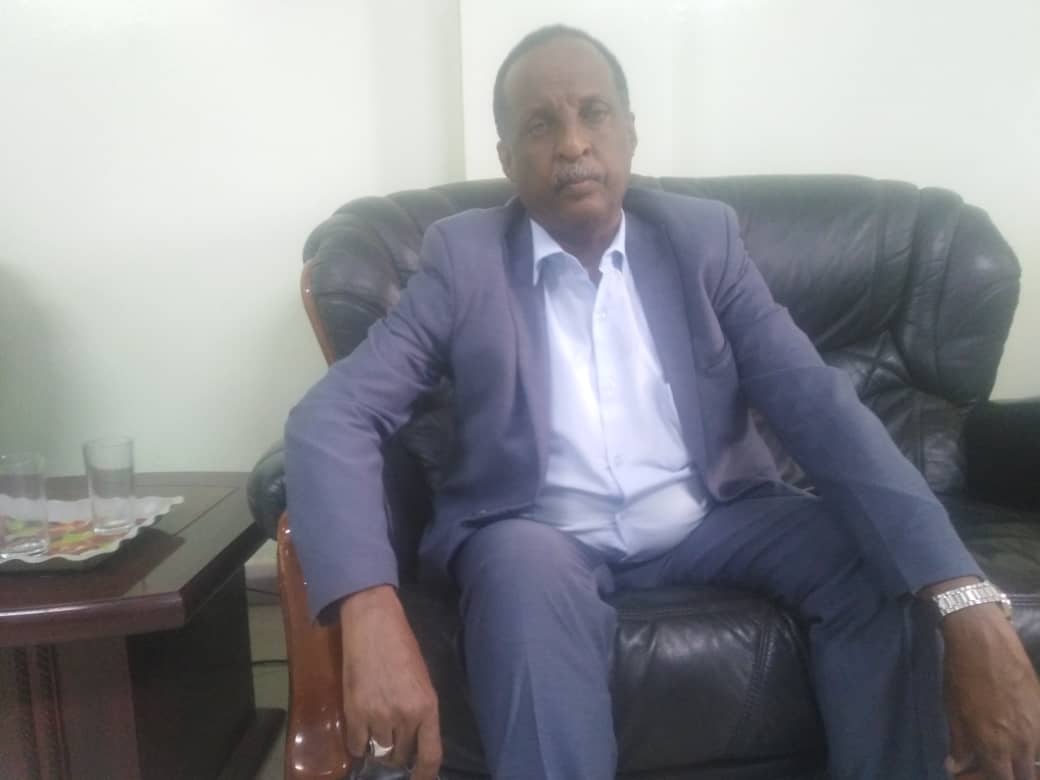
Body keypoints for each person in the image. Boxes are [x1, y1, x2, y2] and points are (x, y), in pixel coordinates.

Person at [285, 24, 1040, 780]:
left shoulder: (701, 240)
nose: (573, 143)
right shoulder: (465, 259)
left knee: (875, 559)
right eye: (540, 125)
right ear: (507, 159)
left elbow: (817, 404)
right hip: (540, 531)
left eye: (594, 112)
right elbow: (333, 416)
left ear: (630, 132)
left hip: (714, 516)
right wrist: (366, 602)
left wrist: (962, 595)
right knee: (520, 581)